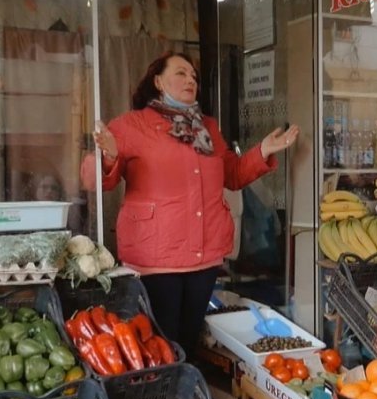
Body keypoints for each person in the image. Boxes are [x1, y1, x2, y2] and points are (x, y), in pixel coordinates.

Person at [82, 52, 299, 355]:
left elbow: (233, 175)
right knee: (160, 344)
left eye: (194, 76)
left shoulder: (206, 127)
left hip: (204, 254)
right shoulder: (131, 125)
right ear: (158, 81)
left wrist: (262, 150)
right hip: (156, 257)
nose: (190, 80)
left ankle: (184, 395)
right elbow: (95, 181)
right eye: (181, 73)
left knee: (189, 340)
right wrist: (109, 156)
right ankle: (166, 397)